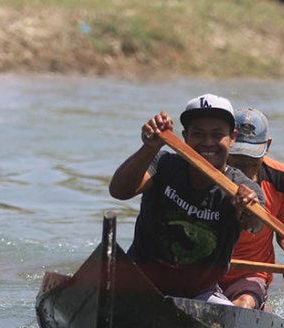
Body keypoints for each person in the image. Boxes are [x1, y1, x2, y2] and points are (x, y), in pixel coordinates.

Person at [109, 94, 266, 305]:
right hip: (139, 281)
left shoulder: (244, 187)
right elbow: (119, 191)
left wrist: (246, 208)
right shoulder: (163, 163)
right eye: (198, 134)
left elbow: (255, 226)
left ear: (233, 138)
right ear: (185, 137)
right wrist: (149, 147)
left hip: (198, 294)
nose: (208, 143)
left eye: (217, 135)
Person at [219, 108, 284, 309]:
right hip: (208, 267)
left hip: (251, 272)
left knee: (243, 305)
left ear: (267, 147)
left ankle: (257, 305)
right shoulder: (210, 174)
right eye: (238, 157)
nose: (244, 167)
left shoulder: (282, 179)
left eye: (251, 158)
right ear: (229, 142)